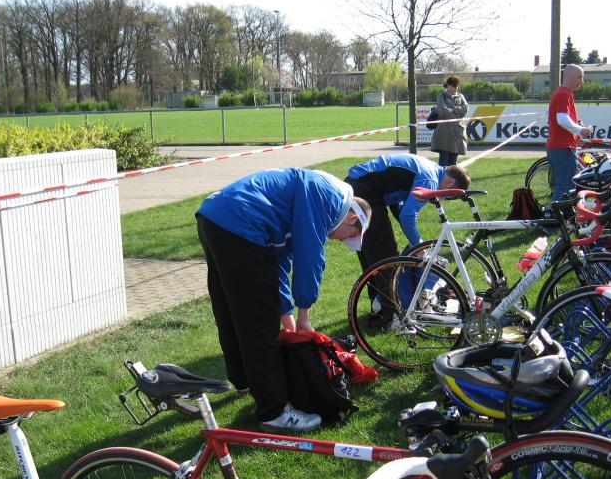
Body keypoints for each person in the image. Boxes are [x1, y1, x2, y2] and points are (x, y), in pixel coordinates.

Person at [195, 168, 371, 432]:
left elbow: (278, 257)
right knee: (260, 324)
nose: (340, 240)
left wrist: (287, 315)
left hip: (213, 218)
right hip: (241, 225)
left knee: (231, 309)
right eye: (350, 235)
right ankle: (274, 411)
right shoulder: (330, 197)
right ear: (352, 217)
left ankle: (244, 381)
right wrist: (304, 316)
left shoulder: (323, 190)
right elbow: (309, 255)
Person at [345, 153, 470, 322]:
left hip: (358, 183)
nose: (442, 198)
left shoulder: (431, 169)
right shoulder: (430, 180)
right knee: (386, 255)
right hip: (364, 188)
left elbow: (399, 204)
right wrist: (419, 246)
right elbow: (407, 216)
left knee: (371, 251)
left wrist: (416, 243)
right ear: (451, 183)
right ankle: (390, 316)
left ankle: (378, 306)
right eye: (447, 196)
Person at [546, 64, 594, 201]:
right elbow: (562, 119)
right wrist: (581, 130)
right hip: (562, 148)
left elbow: (567, 119)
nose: (581, 81)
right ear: (570, 77)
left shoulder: (564, 93)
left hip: (560, 147)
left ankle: (559, 212)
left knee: (564, 186)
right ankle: (556, 214)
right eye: (580, 77)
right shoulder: (564, 94)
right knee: (565, 187)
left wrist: (580, 129)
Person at [430, 76, 469, 166]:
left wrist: (453, 109)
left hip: (457, 134)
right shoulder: (441, 96)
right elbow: (443, 111)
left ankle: (452, 176)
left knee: (453, 163)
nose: (456, 87)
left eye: (457, 85)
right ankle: (442, 175)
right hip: (444, 133)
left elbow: (465, 109)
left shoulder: (461, 96)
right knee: (443, 162)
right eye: (454, 85)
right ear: (448, 85)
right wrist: (457, 112)